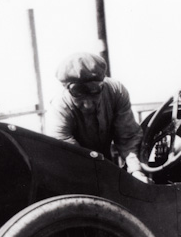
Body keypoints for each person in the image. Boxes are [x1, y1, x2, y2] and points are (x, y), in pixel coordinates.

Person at [44, 52, 148, 183]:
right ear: (66, 88)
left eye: (94, 91)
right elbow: (68, 152)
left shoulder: (116, 91)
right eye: (78, 93)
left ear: (102, 83)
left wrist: (136, 171)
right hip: (72, 169)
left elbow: (128, 137)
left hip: (104, 162)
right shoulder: (59, 106)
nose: (87, 105)